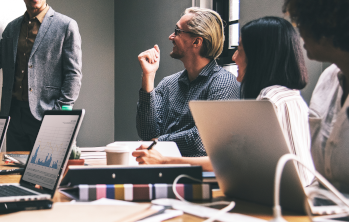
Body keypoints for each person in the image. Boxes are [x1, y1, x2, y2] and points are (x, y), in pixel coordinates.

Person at [133, 16, 315, 187]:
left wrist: (163, 154)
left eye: (240, 50)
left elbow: (229, 158)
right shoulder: (284, 97)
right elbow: (147, 133)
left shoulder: (270, 101)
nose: (234, 58)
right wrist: (148, 77)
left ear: (260, 57)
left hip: (286, 204)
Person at [0, 0, 82, 151]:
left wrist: (58, 113)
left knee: (46, 171)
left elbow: (73, 75)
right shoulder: (12, 28)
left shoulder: (66, 25)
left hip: (47, 115)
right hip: (13, 115)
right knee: (14, 171)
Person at [136, 7, 240, 158]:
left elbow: (203, 140)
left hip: (198, 177)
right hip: (161, 171)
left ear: (197, 41)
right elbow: (147, 133)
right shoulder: (168, 84)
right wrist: (148, 76)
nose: (171, 36)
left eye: (177, 31)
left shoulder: (223, 82)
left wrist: (159, 142)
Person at [283, 0, 349, 192]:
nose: (300, 32)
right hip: (326, 212)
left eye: (301, 22)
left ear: (327, 23)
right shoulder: (327, 80)